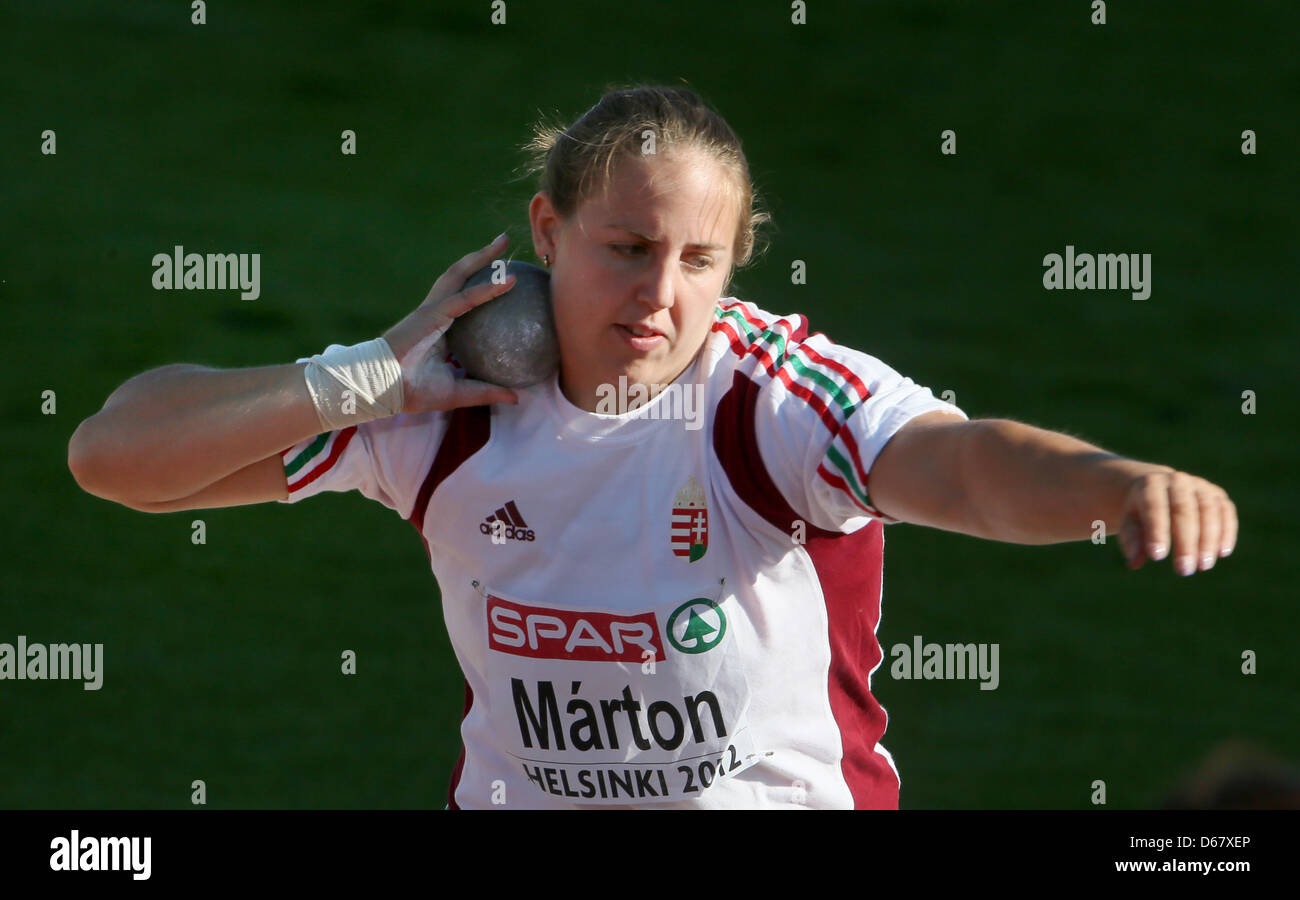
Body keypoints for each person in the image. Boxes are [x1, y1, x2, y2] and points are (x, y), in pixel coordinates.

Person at [67, 84, 1238, 809]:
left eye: (697, 261)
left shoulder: (771, 402)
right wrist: (359, 380)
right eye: (625, 247)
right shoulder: (438, 399)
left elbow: (966, 467)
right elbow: (116, 460)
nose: (658, 297)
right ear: (546, 229)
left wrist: (1112, 485)